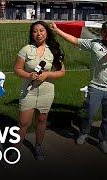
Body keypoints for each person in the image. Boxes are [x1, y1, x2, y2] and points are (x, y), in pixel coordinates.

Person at [51, 20, 107, 154]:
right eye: (105, 31)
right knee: (89, 113)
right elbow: (74, 40)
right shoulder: (94, 43)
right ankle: (84, 132)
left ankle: (103, 140)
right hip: (96, 86)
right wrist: (57, 30)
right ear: (101, 32)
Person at [13, 21, 65, 160]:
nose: (38, 34)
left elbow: (62, 72)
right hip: (28, 91)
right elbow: (17, 69)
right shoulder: (26, 49)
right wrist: (29, 75)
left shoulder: (54, 50)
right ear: (31, 34)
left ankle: (38, 146)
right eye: (35, 31)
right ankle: (15, 149)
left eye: (41, 30)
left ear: (47, 32)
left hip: (46, 92)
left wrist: (48, 74)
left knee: (42, 120)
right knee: (23, 123)